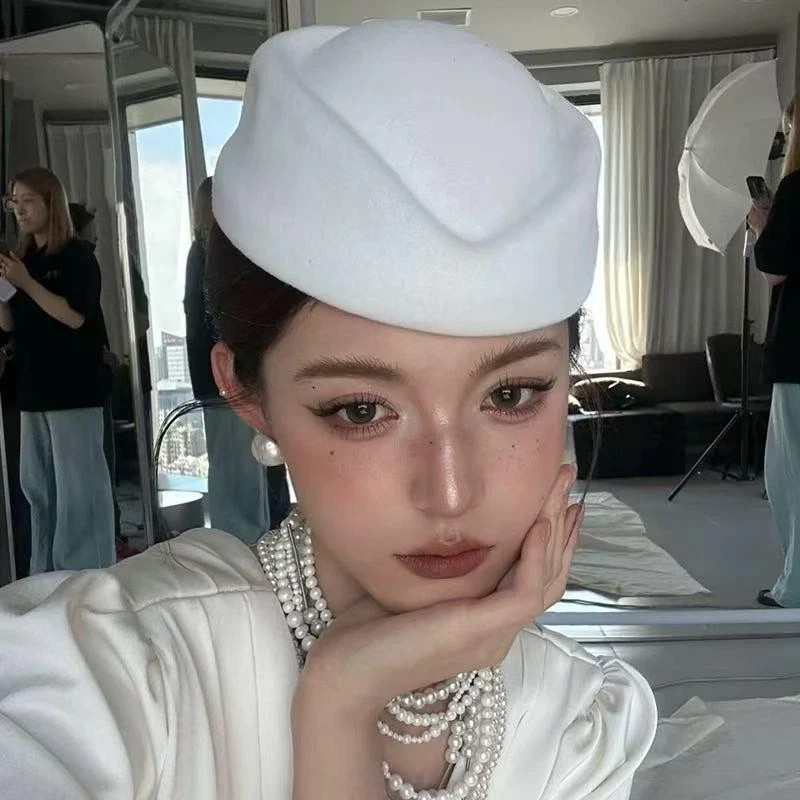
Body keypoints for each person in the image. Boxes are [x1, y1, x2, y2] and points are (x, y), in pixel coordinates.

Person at [0, 23, 656, 799]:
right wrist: (337, 696)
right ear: (247, 394)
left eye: (510, 395)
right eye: (361, 409)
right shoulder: (111, 683)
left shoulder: (576, 720)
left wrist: (344, 704)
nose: (450, 494)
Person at [0, 167, 114, 573]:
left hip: (73, 390)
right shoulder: (24, 261)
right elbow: (10, 326)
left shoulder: (76, 257)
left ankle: (85, 573)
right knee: (39, 490)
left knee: (78, 490)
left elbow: (75, 316)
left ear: (51, 203)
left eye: (28, 201)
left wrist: (26, 283)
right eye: (14, 202)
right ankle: (45, 572)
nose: (19, 210)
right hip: (32, 390)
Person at [184, 176, 291, 542]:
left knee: (255, 464)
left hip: (232, 377)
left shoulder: (211, 253)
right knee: (242, 468)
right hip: (232, 378)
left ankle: (265, 539)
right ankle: (249, 545)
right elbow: (212, 323)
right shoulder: (214, 255)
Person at [749, 97, 800, 608]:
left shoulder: (795, 188)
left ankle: (796, 585)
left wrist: (762, 221)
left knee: (790, 472)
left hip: (799, 352)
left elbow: (774, 269)